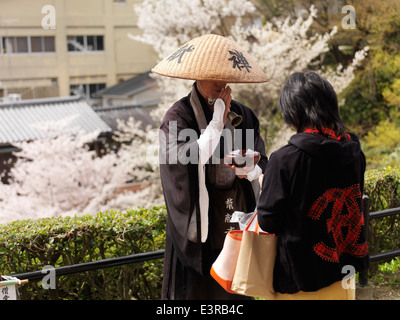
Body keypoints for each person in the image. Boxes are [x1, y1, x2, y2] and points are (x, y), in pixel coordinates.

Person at [154, 34, 269, 299]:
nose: (220, 82)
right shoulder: (178, 115)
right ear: (196, 76)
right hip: (199, 224)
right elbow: (180, 162)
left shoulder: (244, 114)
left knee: (235, 291)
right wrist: (216, 123)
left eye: (223, 75)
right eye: (212, 75)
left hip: (235, 214)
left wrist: (250, 169)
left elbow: (263, 162)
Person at [257, 71, 369, 300]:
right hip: (344, 273)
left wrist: (265, 183)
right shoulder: (354, 151)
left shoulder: (285, 159)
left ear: (293, 111)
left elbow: (268, 222)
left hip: (301, 280)